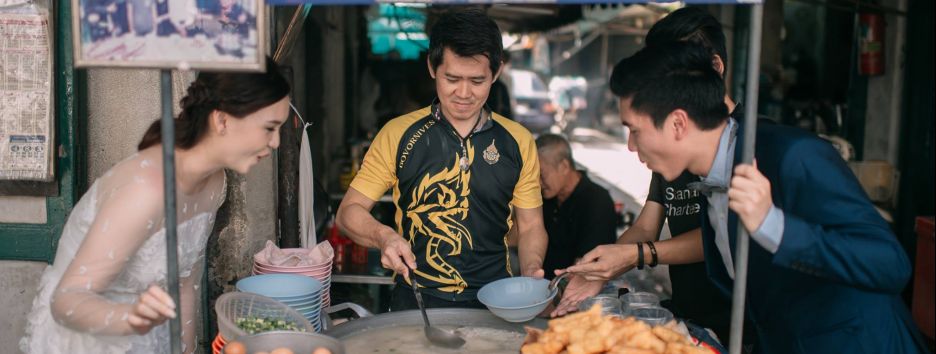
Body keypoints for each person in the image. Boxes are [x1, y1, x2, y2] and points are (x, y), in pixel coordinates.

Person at [573, 41, 927, 353]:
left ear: (678, 124)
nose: (631, 146)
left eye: (635, 131)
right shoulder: (709, 178)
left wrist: (775, 226)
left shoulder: (793, 156)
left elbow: (891, 265)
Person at [20, 60, 291, 354]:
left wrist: (185, 349)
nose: (276, 142)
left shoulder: (214, 182)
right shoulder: (147, 191)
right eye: (269, 128)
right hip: (90, 340)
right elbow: (66, 301)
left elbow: (186, 281)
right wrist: (130, 319)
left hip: (151, 337)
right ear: (222, 121)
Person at [553, 7, 745, 346]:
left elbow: (725, 234)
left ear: (715, 68)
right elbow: (645, 226)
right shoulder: (666, 146)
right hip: (688, 314)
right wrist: (604, 265)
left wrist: (636, 255)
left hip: (738, 324)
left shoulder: (749, 144)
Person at [336, 8, 548, 311]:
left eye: (477, 80)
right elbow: (348, 212)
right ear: (432, 68)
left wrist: (531, 270)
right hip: (416, 300)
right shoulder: (398, 134)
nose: (464, 93)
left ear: (497, 73)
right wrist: (384, 237)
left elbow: (530, 227)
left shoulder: (518, 141)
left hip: (497, 301)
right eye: (452, 78)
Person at [536, 134, 616, 279]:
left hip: (577, 289)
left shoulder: (597, 201)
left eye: (541, 175)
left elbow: (586, 266)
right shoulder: (543, 197)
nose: (538, 183)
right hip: (543, 285)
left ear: (564, 166)